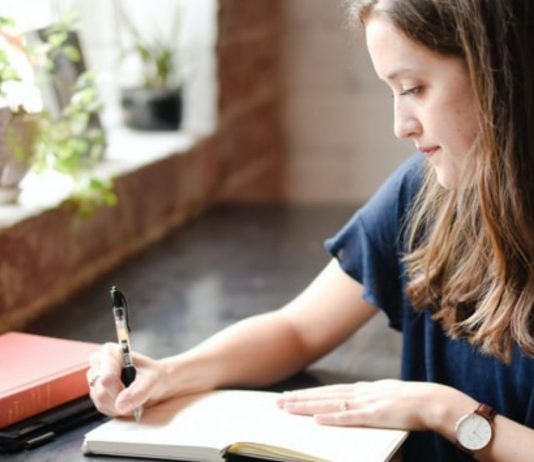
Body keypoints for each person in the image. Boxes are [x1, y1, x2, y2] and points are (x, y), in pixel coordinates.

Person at [87, 1, 534, 460]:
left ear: (497, 72)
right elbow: (298, 329)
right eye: (393, 91)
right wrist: (169, 373)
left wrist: (444, 410)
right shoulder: (423, 193)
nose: (400, 126)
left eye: (414, 88)